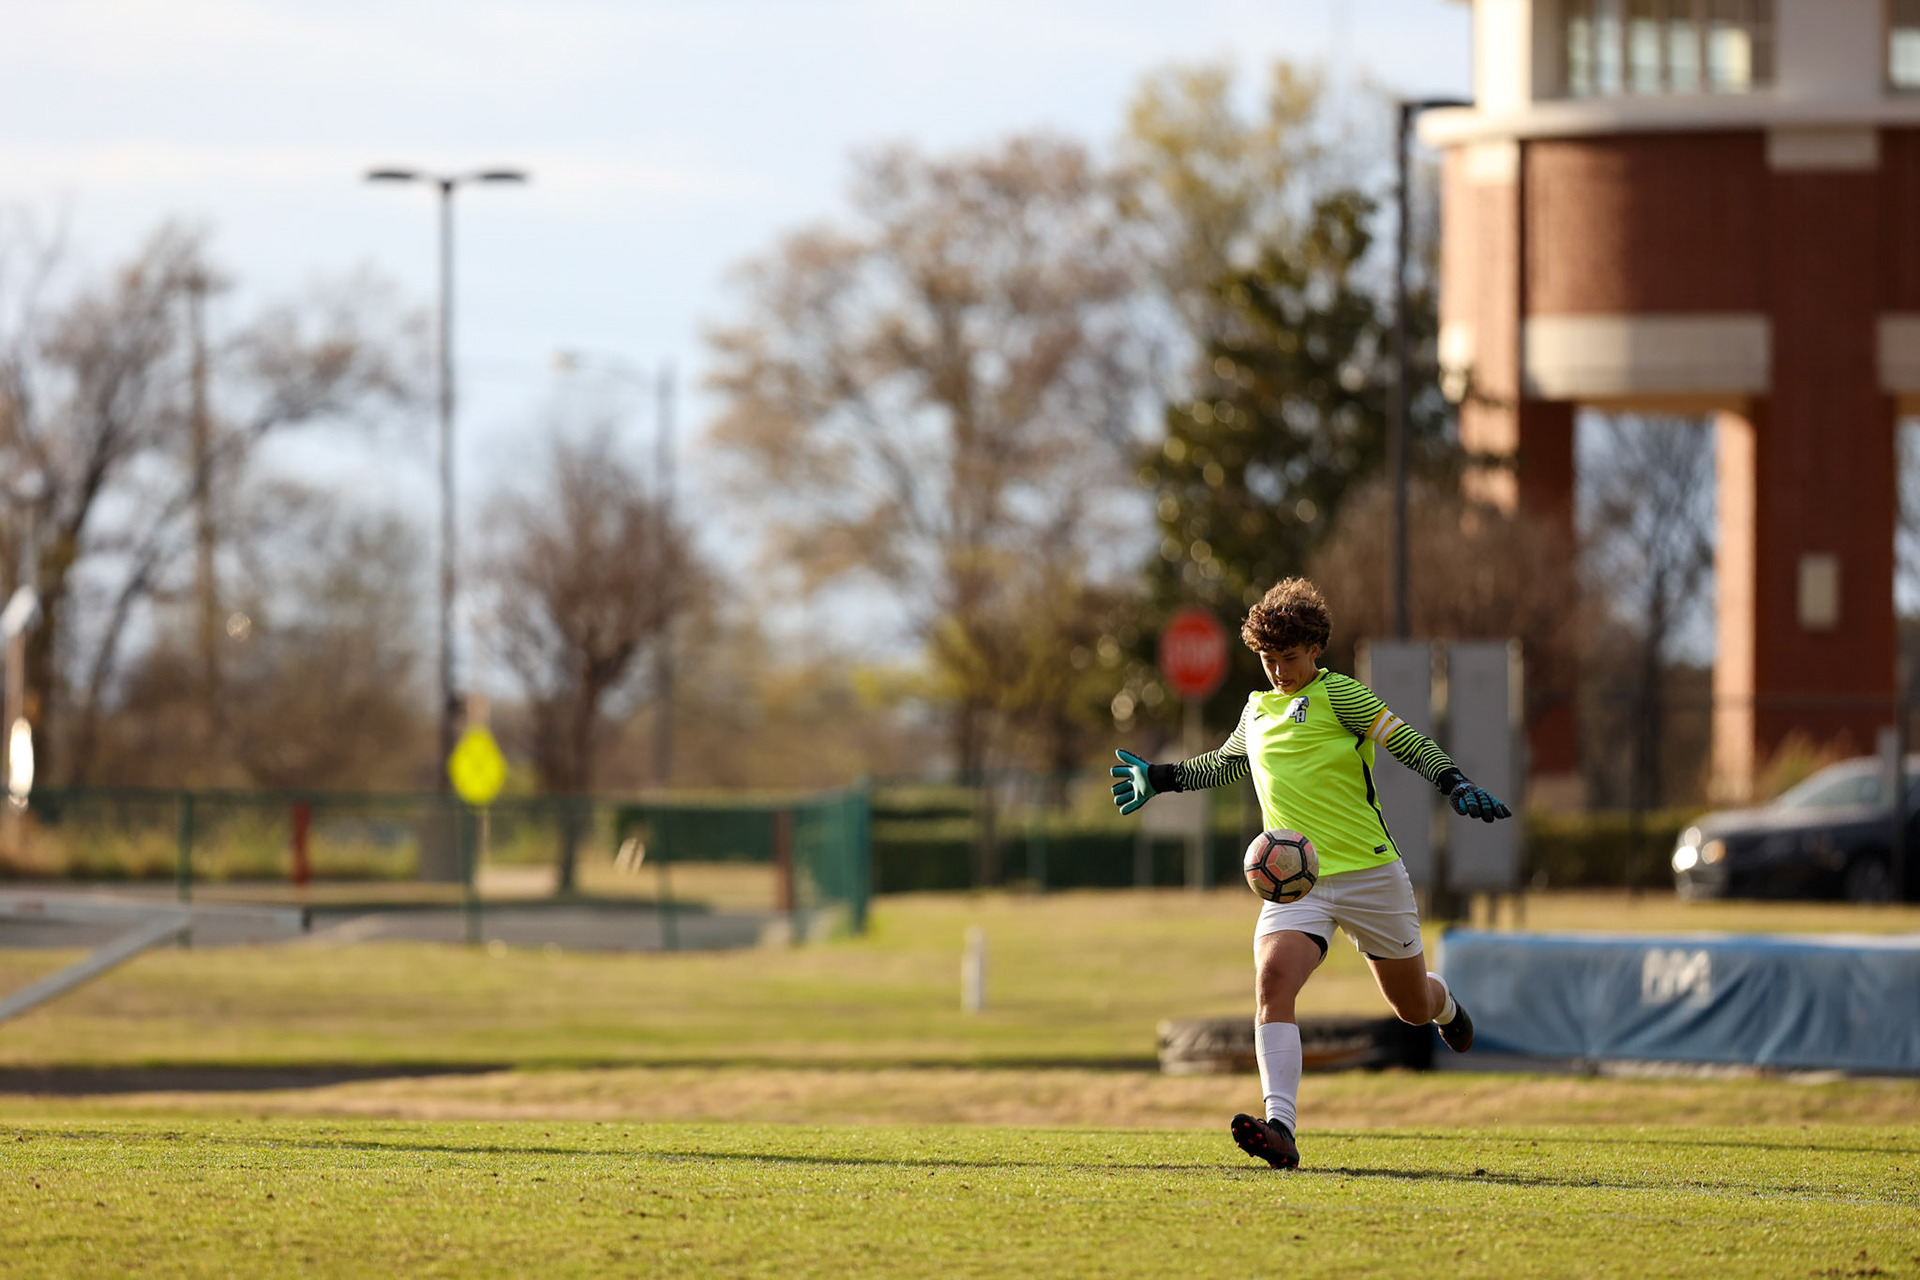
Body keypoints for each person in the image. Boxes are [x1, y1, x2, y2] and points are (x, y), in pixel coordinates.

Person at [1110, 577, 1511, 1170]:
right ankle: (1281, 1127)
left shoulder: (1341, 696)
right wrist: (1161, 777)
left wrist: (1456, 784)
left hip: (1372, 875)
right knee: (1273, 982)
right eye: (1268, 661)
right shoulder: (1255, 709)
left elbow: (1409, 744)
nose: (1278, 672)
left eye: (1289, 659)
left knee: (1411, 1008)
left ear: (1315, 649)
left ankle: (1445, 1005)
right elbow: (1222, 765)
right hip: (1296, 883)